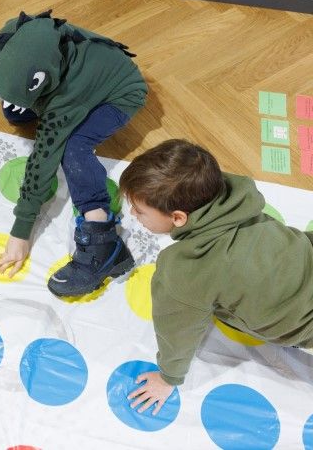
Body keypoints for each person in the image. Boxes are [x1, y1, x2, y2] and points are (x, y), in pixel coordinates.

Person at [118, 139, 313, 415]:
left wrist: (167, 378)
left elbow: (178, 333)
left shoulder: (185, 271)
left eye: (140, 211)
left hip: (301, 322)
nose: (133, 215)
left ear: (178, 218)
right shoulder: (237, 200)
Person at [0, 9, 147, 295]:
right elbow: (7, 54)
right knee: (15, 113)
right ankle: (18, 95)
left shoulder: (65, 99)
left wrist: (21, 231)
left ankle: (104, 240)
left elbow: (43, 158)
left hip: (119, 96)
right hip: (83, 79)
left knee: (72, 147)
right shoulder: (38, 35)